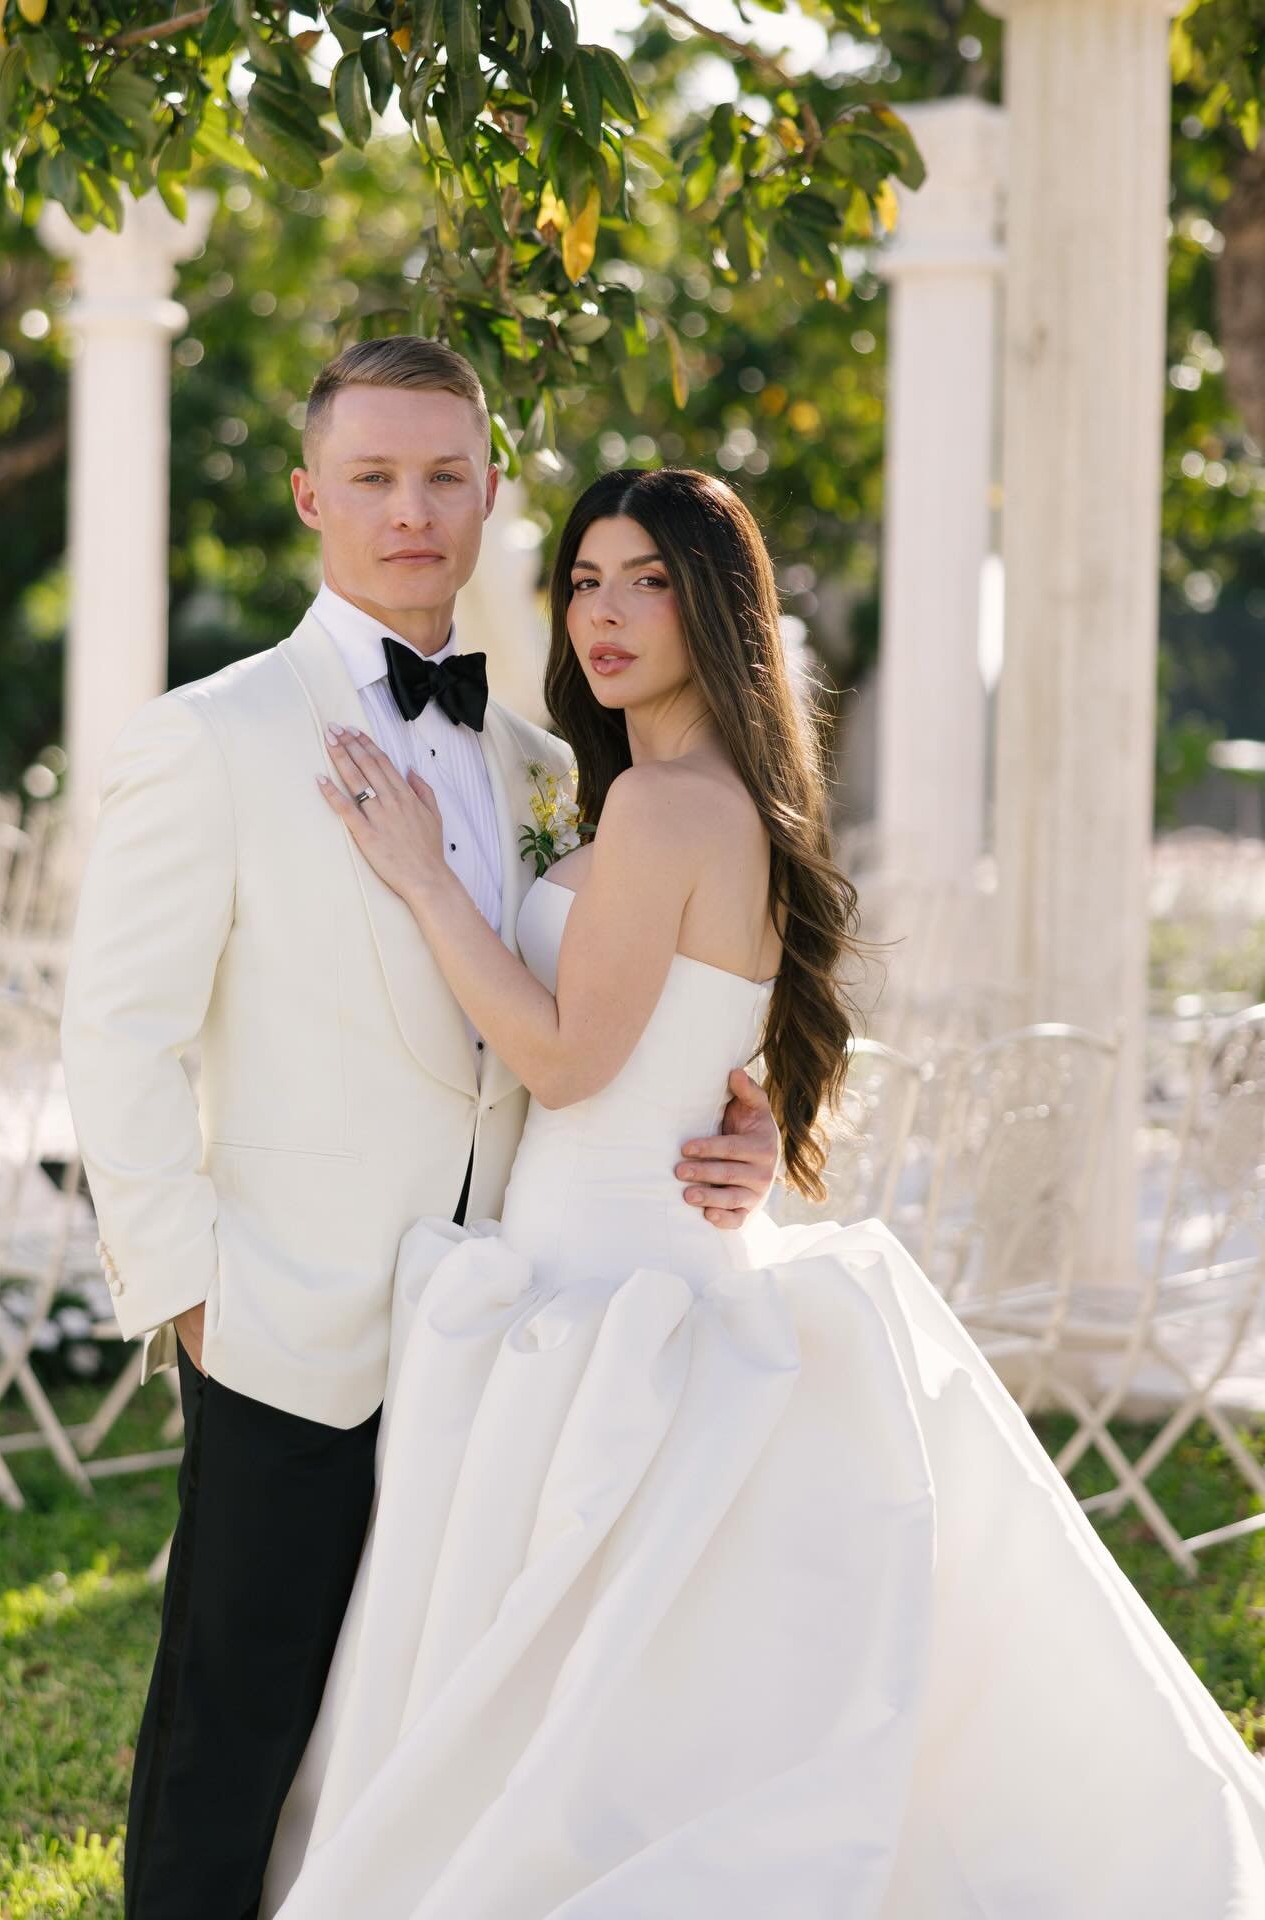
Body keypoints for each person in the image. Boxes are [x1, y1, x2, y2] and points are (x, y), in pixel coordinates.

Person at [262, 465, 1265, 1918]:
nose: (606, 614)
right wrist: (751, 1105)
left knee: (585, 1692)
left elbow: (558, 1061)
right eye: (588, 581)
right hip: (638, 1253)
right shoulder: (687, 796)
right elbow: (710, 1034)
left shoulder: (669, 806)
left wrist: (426, 880)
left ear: (715, 606)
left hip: (607, 1293)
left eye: (648, 582)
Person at [59, 341, 783, 1920]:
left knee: (428, 1734)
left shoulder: (546, 763)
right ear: (314, 496)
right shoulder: (217, 735)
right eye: (375, 478)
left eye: (445, 475)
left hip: (517, 1324)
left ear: (490, 494)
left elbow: (638, 987)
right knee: (232, 1729)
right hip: (288, 1317)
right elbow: (115, 1040)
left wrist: (746, 1106)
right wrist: (192, 1292)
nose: (412, 511)